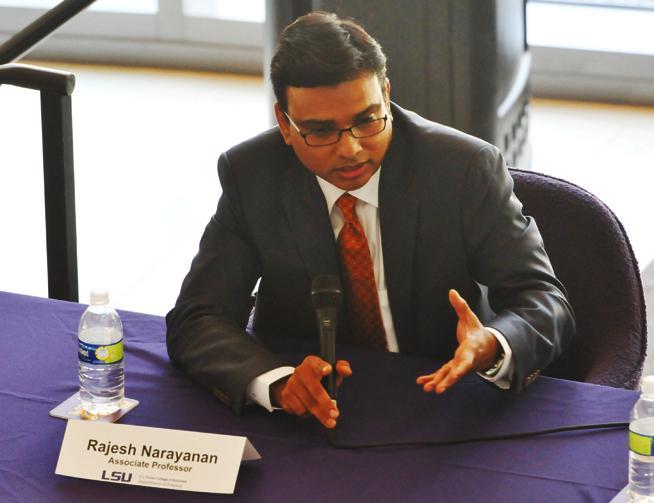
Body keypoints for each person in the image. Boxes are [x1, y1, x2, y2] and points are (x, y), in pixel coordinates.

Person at [166, 11, 576, 430]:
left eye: (366, 120)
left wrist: (491, 344)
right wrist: (276, 382)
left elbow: (543, 299)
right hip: (309, 418)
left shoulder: (462, 169)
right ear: (284, 126)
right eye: (321, 131)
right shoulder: (251, 174)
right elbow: (197, 317)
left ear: (386, 93)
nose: (351, 149)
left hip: (439, 398)